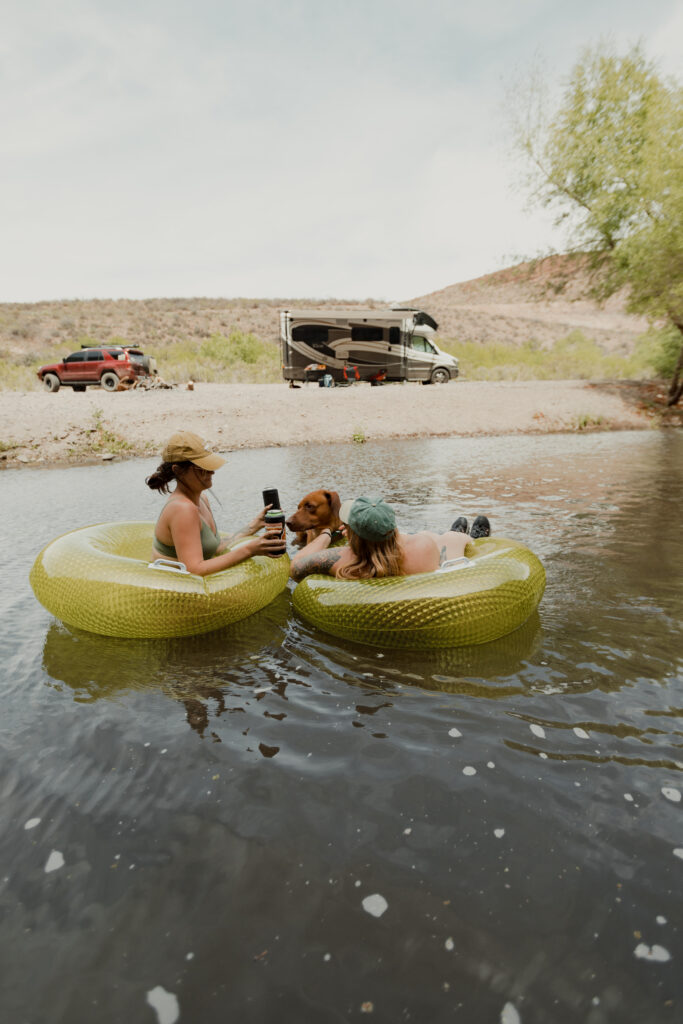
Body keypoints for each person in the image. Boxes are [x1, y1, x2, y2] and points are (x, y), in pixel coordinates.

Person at [146, 431, 285, 575]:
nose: (211, 472)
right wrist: (250, 549)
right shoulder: (182, 509)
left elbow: (217, 548)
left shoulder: (202, 499)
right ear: (179, 471)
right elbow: (194, 569)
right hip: (173, 589)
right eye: (202, 467)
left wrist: (255, 525)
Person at [289, 496, 490, 582]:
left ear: (352, 534)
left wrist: (325, 534)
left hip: (368, 552)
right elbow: (396, 543)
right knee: (448, 537)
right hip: (423, 561)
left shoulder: (343, 559)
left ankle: (461, 533)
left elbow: (296, 567)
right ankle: (470, 537)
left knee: (435, 536)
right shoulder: (422, 544)